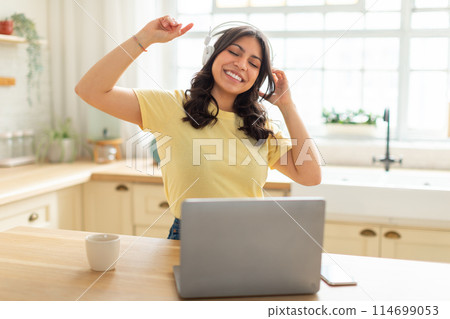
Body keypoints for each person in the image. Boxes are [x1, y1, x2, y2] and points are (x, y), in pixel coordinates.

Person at [75, 15, 322, 240]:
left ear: (257, 78)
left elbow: (310, 176)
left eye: (254, 63)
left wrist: (287, 106)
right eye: (234, 52)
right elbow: (90, 90)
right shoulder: (171, 106)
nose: (241, 64)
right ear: (212, 54)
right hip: (191, 235)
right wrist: (144, 39)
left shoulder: (257, 126)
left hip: (249, 238)